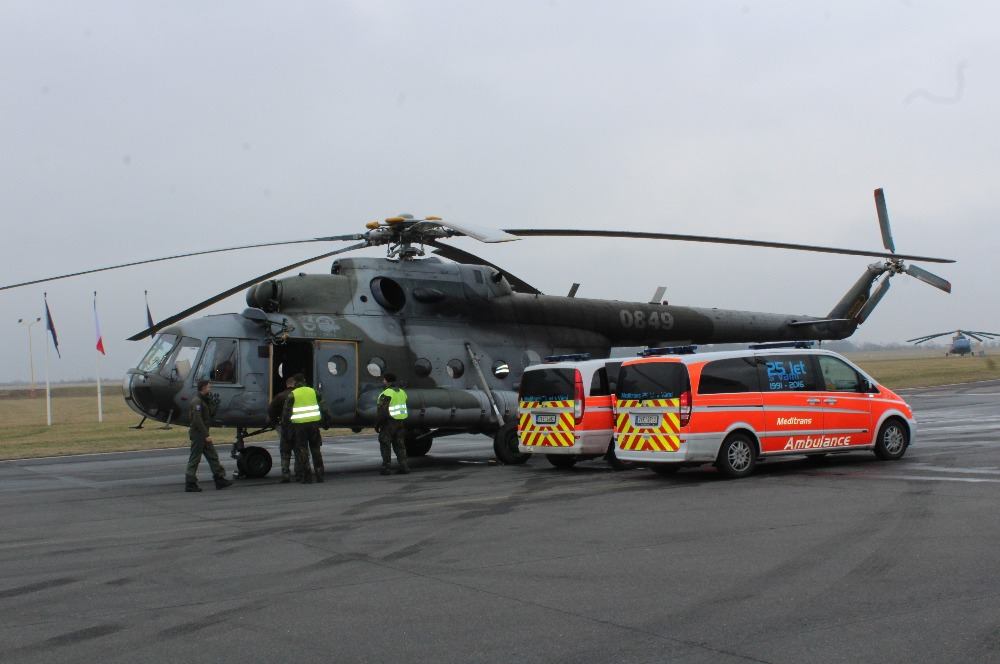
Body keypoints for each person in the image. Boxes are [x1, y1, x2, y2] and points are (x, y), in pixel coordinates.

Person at [185, 379, 233, 492]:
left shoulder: (204, 400)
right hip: (199, 434)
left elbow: (210, 414)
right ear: (203, 388)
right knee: (195, 458)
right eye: (208, 387)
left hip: (203, 433)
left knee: (212, 456)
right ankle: (190, 483)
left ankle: (219, 479)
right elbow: (197, 419)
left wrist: (213, 404)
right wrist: (206, 435)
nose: (210, 389)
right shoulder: (197, 402)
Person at [281, 374, 327, 483]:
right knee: (316, 449)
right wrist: (326, 421)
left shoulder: (293, 394)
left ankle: (307, 476)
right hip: (314, 425)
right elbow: (323, 407)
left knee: (303, 450)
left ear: (295, 382)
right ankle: (319, 474)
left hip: (300, 426)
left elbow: (286, 413)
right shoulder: (313, 391)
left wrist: (286, 427)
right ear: (304, 381)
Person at [376, 373, 409, 475]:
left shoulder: (387, 393)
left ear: (387, 381)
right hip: (401, 422)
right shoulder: (402, 392)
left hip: (389, 423)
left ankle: (386, 467)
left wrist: (378, 424)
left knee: (385, 443)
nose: (383, 381)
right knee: (400, 444)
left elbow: (382, 411)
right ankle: (404, 466)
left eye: (384, 380)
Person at [268, 375, 300, 483]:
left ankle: (285, 474)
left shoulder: (280, 396)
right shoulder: (298, 395)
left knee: (285, 452)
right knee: (298, 451)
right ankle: (299, 473)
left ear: (287, 385)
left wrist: (275, 423)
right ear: (295, 384)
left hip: (285, 427)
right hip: (298, 426)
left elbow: (271, 410)